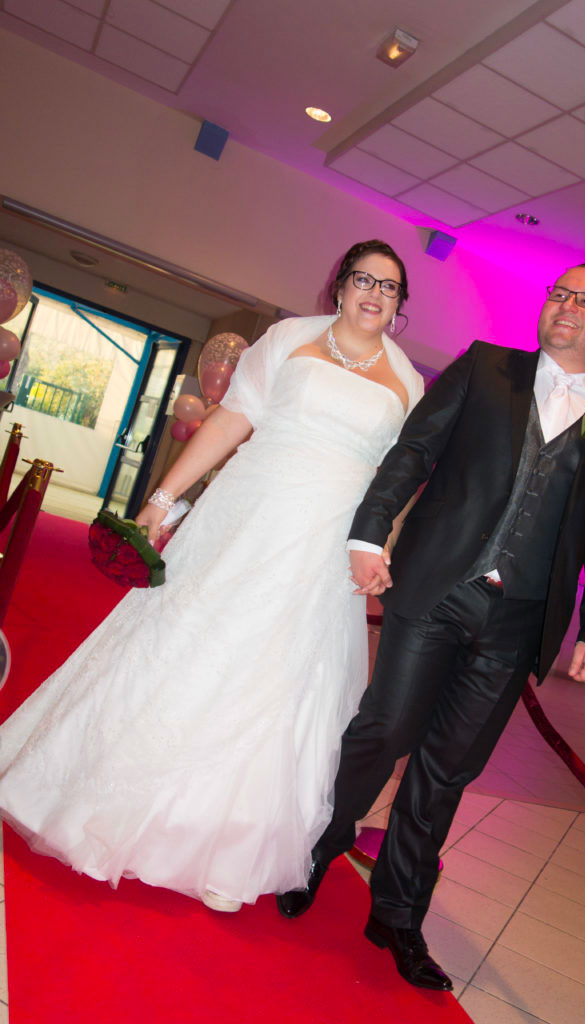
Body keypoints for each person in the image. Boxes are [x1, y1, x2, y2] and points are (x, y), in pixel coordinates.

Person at [0, 239, 423, 912]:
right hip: (248, 518)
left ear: (400, 305)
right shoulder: (289, 339)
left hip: (324, 546)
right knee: (192, 645)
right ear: (340, 286)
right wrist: (163, 499)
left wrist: (382, 546)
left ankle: (227, 849)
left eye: (390, 286)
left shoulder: (407, 381)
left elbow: (394, 479)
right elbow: (230, 422)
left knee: (282, 676)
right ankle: (94, 800)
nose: (375, 293)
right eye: (364, 279)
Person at [277, 263, 585, 990]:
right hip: (438, 586)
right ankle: (320, 847)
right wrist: (369, 532)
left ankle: (398, 914)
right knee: (384, 729)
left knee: (448, 769)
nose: (567, 306)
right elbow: (413, 452)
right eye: (559, 293)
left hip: (519, 621)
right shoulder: (485, 368)